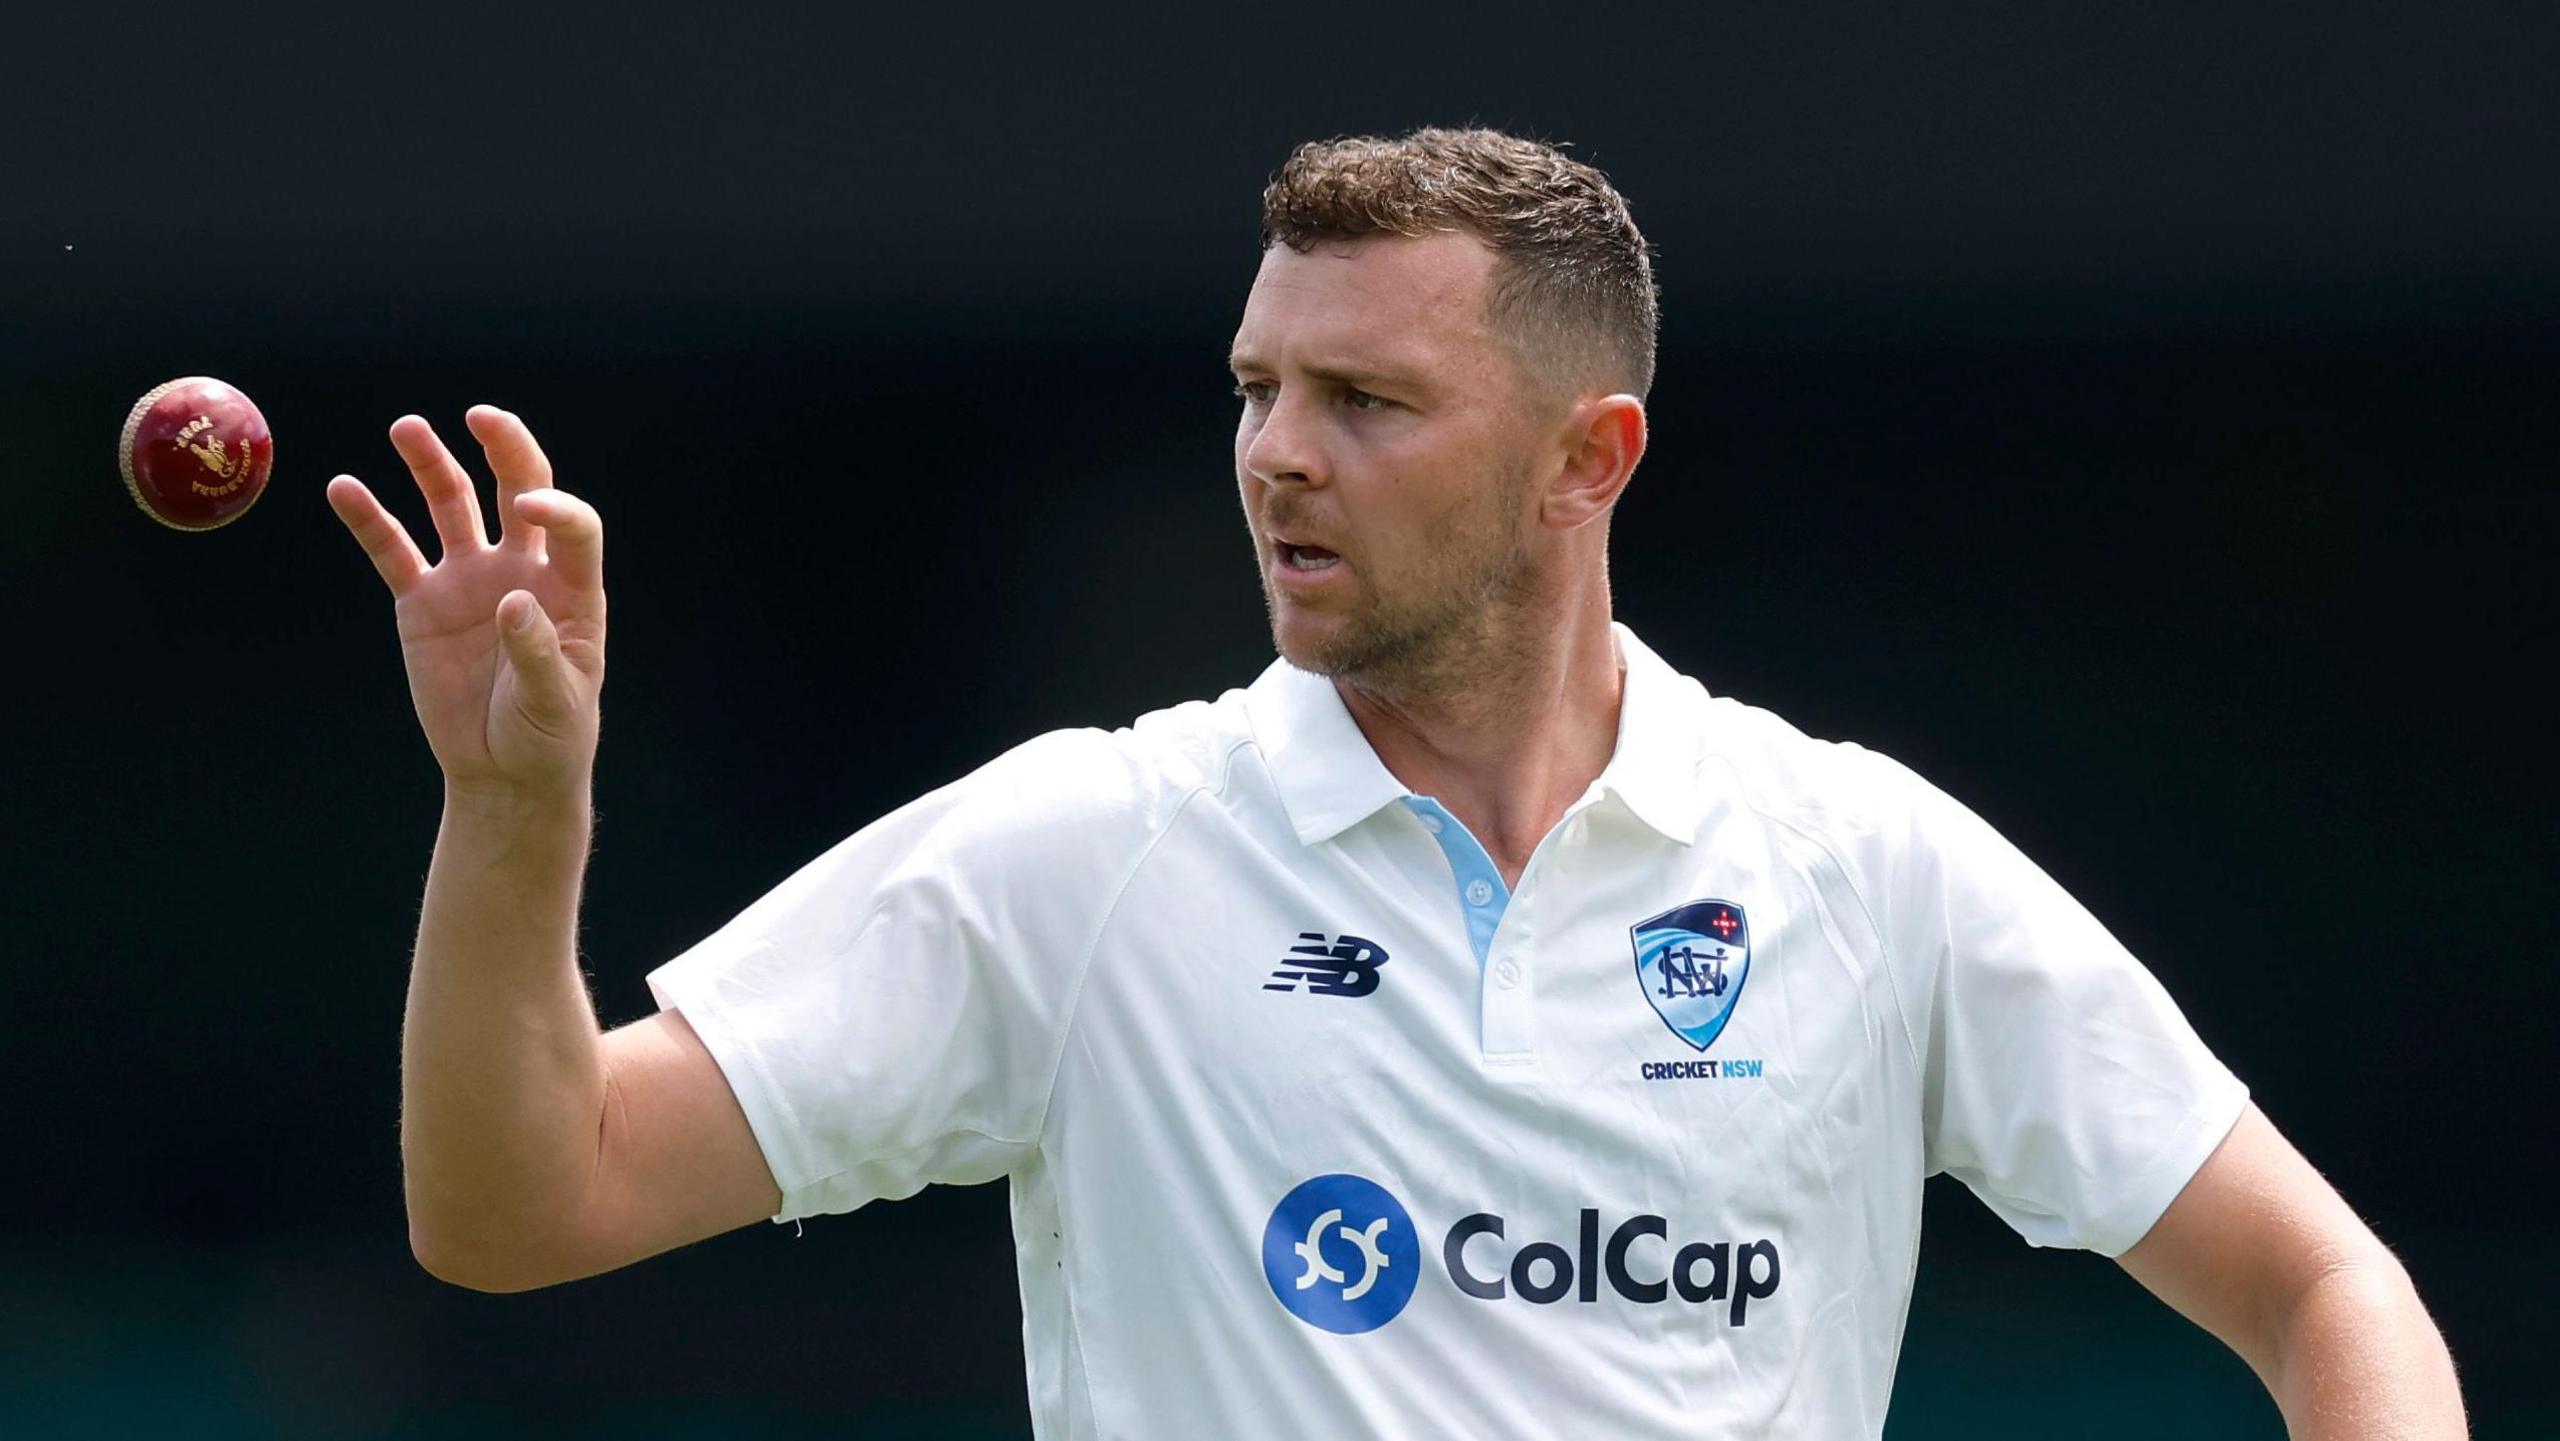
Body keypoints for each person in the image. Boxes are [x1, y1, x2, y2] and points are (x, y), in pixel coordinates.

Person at [327, 128, 2466, 1438]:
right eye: (1257, 387)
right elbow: (524, 1203)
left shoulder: (1852, 860)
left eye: (1362, 398)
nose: (1273, 451)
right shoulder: (1089, 849)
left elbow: (2319, 1283)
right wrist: (517, 820)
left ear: (1583, 459)